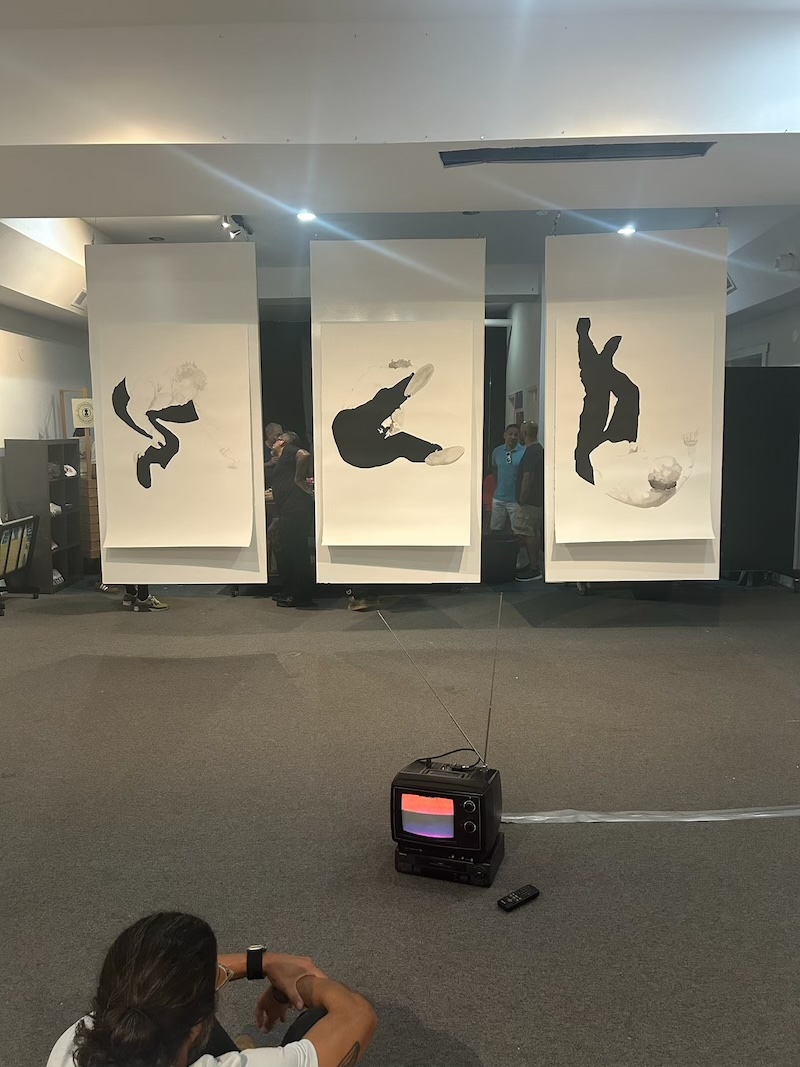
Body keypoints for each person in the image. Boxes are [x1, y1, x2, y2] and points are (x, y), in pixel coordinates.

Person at [46, 911, 377, 1067]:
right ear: (195, 1030)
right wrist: (297, 983)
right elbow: (358, 1015)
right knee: (316, 1020)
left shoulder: (75, 1040)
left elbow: (167, 983)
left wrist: (264, 963)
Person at [332, 365, 463, 469]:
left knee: (397, 439)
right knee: (381, 415)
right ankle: (431, 452)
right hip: (353, 438)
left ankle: (432, 454)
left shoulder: (374, 430)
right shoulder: (370, 426)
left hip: (358, 453)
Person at [574, 317, 640, 486]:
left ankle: (601, 363)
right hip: (604, 458)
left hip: (597, 461)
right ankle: (603, 364)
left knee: (598, 394)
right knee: (619, 393)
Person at [271, 432, 316, 608]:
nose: (273, 443)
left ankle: (301, 595)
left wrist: (298, 479)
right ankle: (290, 590)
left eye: (276, 440)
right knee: (285, 550)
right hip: (288, 510)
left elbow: (304, 454)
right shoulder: (284, 458)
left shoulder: (289, 450)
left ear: (282, 441)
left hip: (295, 510)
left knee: (297, 553)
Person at [513, 421, 544, 581]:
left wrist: (522, 498)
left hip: (530, 502)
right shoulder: (537, 450)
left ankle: (534, 568)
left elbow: (528, 477)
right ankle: (532, 565)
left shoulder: (532, 452)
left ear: (524, 433)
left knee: (528, 533)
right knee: (530, 532)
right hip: (535, 500)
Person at [489, 424, 525, 532]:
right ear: (504, 435)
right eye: (510, 434)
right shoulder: (497, 451)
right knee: (495, 528)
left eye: (516, 435)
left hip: (516, 499)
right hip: (498, 497)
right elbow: (494, 470)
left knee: (518, 530)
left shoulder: (524, 452)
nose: (513, 437)